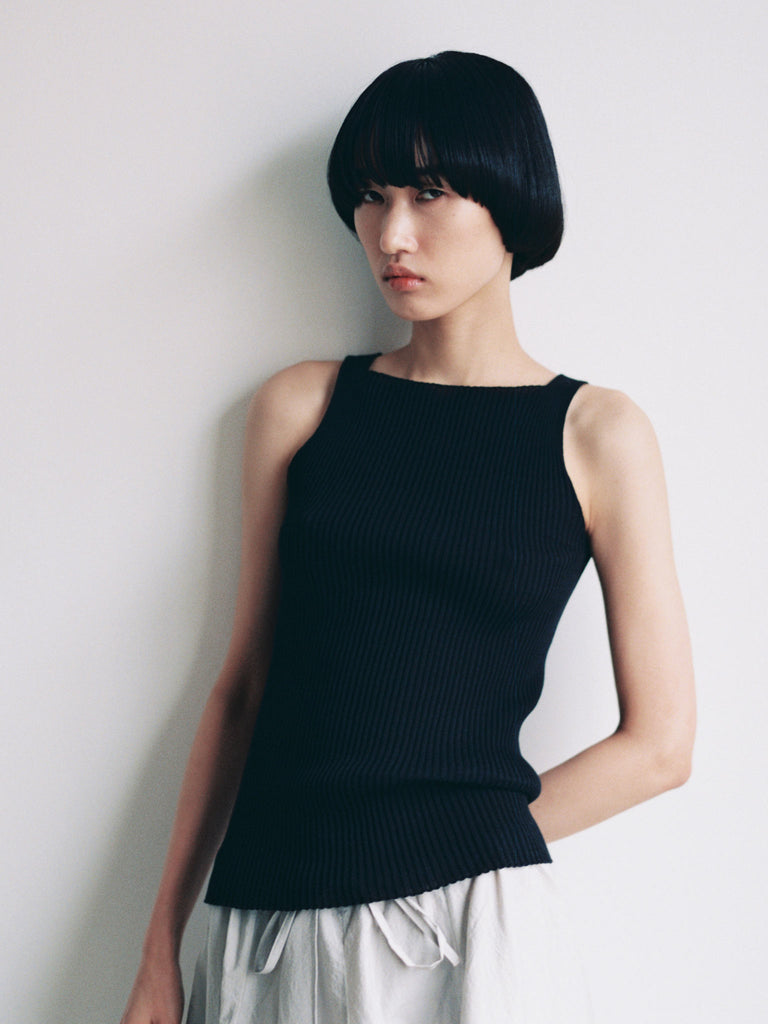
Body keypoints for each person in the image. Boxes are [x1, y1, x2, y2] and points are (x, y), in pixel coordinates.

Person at [120, 51, 696, 1024]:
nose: (391, 234)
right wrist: (157, 953)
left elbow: (661, 746)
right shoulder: (302, 406)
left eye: (429, 194)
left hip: (464, 927)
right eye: (371, 197)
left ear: (511, 199)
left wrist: (446, 839)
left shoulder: (598, 434)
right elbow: (243, 686)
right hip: (268, 919)